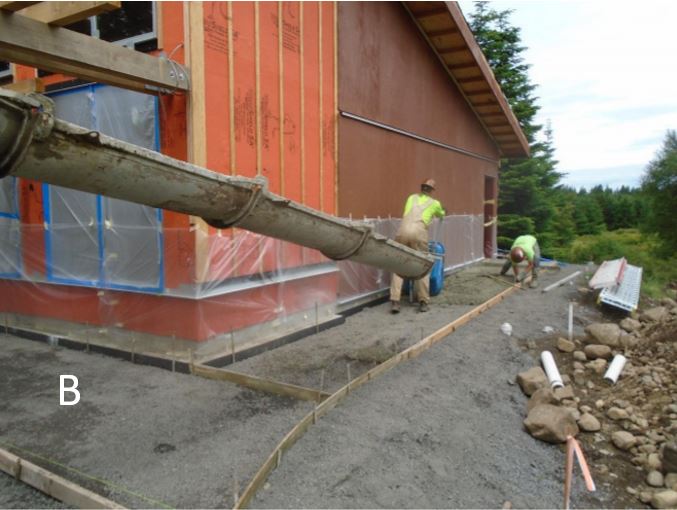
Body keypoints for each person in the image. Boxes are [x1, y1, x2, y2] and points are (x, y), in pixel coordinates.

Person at [390, 179, 445, 313]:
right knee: (423, 266)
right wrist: (443, 212)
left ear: (421, 189)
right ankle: (423, 301)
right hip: (418, 234)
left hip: (402, 232)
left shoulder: (411, 198)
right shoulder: (435, 203)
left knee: (398, 265)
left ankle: (395, 301)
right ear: (432, 191)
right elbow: (441, 214)